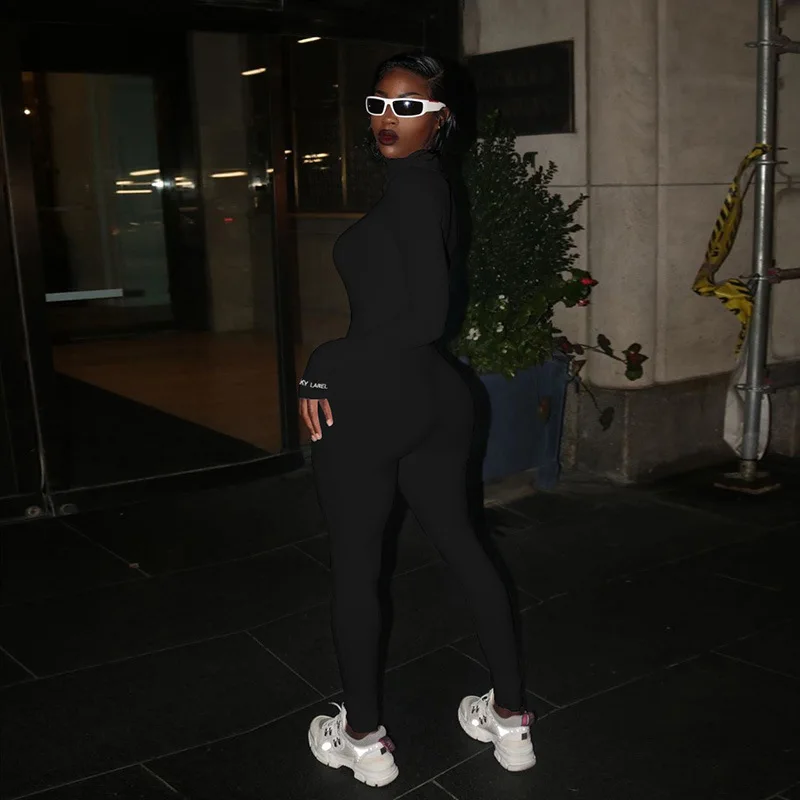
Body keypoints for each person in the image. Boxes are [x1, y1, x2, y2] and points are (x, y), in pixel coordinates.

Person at [299, 53, 536, 788]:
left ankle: (363, 740)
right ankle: (512, 725)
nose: (387, 118)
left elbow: (427, 315)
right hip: (436, 397)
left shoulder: (414, 191)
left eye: (408, 106)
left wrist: (323, 360)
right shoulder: (432, 186)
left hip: (376, 399)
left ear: (440, 118)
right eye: (379, 102)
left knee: (358, 568)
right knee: (466, 548)